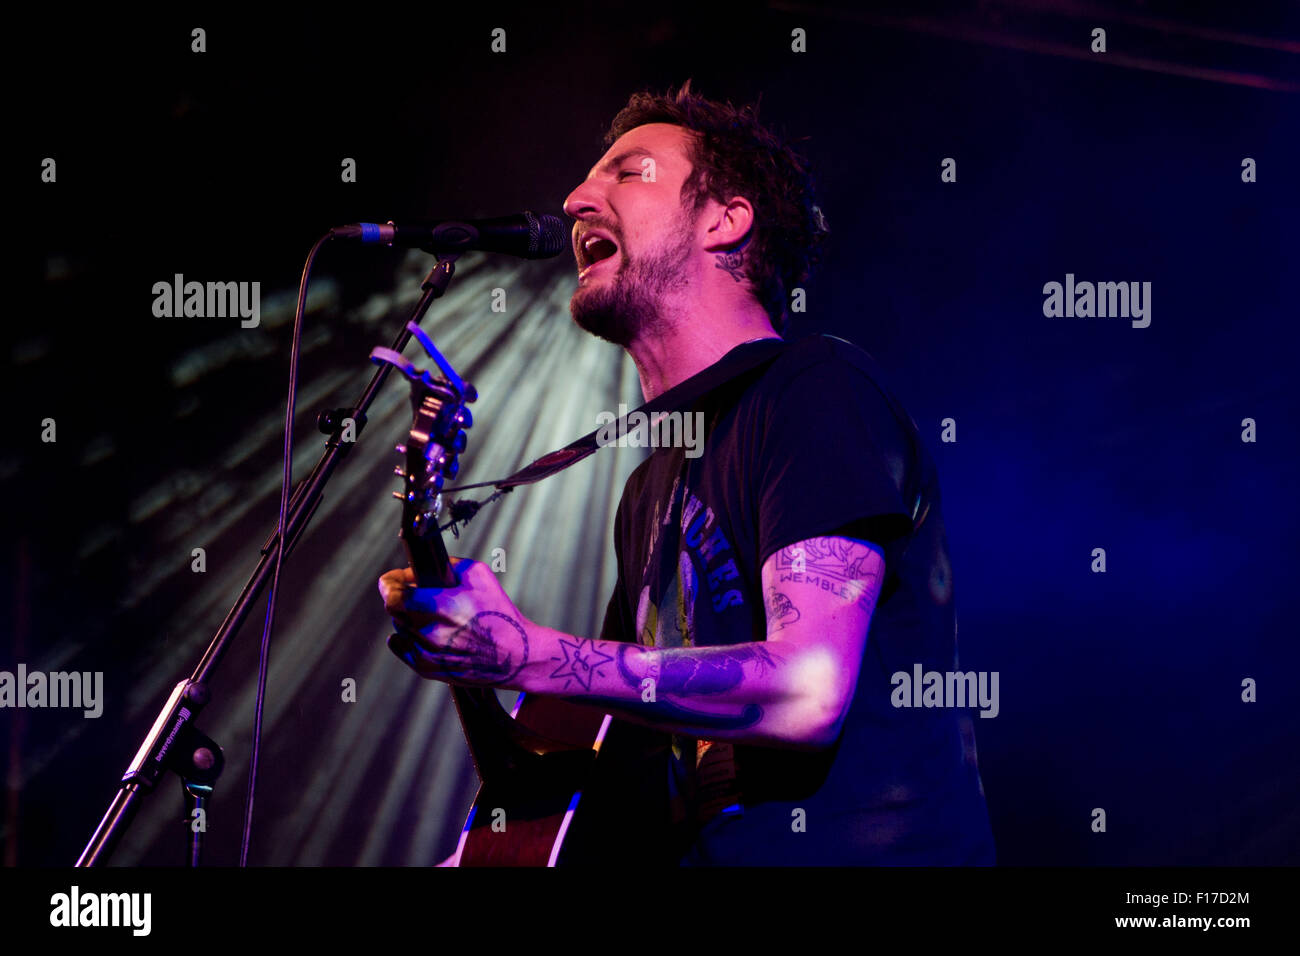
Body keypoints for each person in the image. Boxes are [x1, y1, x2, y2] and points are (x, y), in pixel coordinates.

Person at [379, 83, 995, 865]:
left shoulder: (814, 389)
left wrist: (527, 652)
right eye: (585, 182)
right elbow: (624, 757)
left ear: (725, 220)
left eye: (627, 174)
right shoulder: (647, 490)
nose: (574, 201)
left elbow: (807, 688)